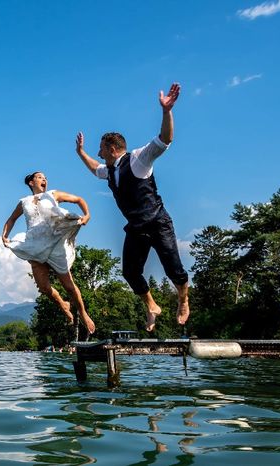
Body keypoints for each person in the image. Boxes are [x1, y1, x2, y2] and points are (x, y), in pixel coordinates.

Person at [74, 83, 189, 332]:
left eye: (102, 149)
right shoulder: (110, 170)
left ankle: (183, 299)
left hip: (158, 222)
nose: (99, 152)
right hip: (137, 228)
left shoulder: (139, 158)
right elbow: (95, 168)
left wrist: (167, 111)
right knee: (130, 272)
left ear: (113, 149)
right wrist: (80, 152)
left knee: (174, 270)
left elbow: (165, 139)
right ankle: (151, 306)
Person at [2, 172, 96, 334]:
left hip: (55, 243)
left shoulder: (53, 194)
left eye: (45, 177)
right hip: (35, 245)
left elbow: (79, 199)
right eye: (40, 177)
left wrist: (87, 215)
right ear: (31, 182)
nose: (44, 179)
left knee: (69, 286)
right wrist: (4, 235)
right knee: (44, 287)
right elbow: (11, 219)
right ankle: (63, 304)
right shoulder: (23, 202)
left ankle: (83, 312)